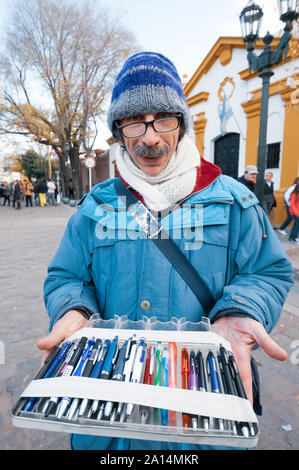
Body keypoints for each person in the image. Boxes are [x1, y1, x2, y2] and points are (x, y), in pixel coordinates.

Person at [37, 52, 293, 451]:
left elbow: (267, 271)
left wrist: (240, 310)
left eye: (163, 119)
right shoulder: (94, 207)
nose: (150, 137)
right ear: (119, 130)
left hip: (204, 409)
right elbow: (66, 276)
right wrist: (75, 310)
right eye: (134, 121)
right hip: (108, 417)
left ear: (182, 124)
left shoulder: (234, 201)